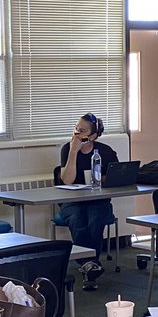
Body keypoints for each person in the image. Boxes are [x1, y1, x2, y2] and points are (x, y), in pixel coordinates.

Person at [56, 112, 117, 290]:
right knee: (77, 220)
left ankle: (88, 265)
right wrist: (74, 151)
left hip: (97, 199)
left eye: (81, 131)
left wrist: (102, 179)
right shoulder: (67, 149)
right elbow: (67, 180)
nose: (76, 133)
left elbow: (116, 177)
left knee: (95, 219)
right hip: (71, 200)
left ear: (93, 136)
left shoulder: (105, 152)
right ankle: (91, 264)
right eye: (76, 129)